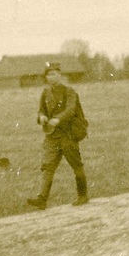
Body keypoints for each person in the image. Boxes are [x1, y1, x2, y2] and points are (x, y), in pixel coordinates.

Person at [26, 62, 89, 209]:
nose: (51, 77)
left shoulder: (69, 92)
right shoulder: (45, 92)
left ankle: (83, 195)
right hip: (51, 136)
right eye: (48, 74)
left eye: (54, 74)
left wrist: (58, 119)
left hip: (68, 134)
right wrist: (41, 117)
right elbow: (41, 110)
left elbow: (71, 110)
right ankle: (42, 199)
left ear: (60, 75)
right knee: (48, 167)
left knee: (76, 165)